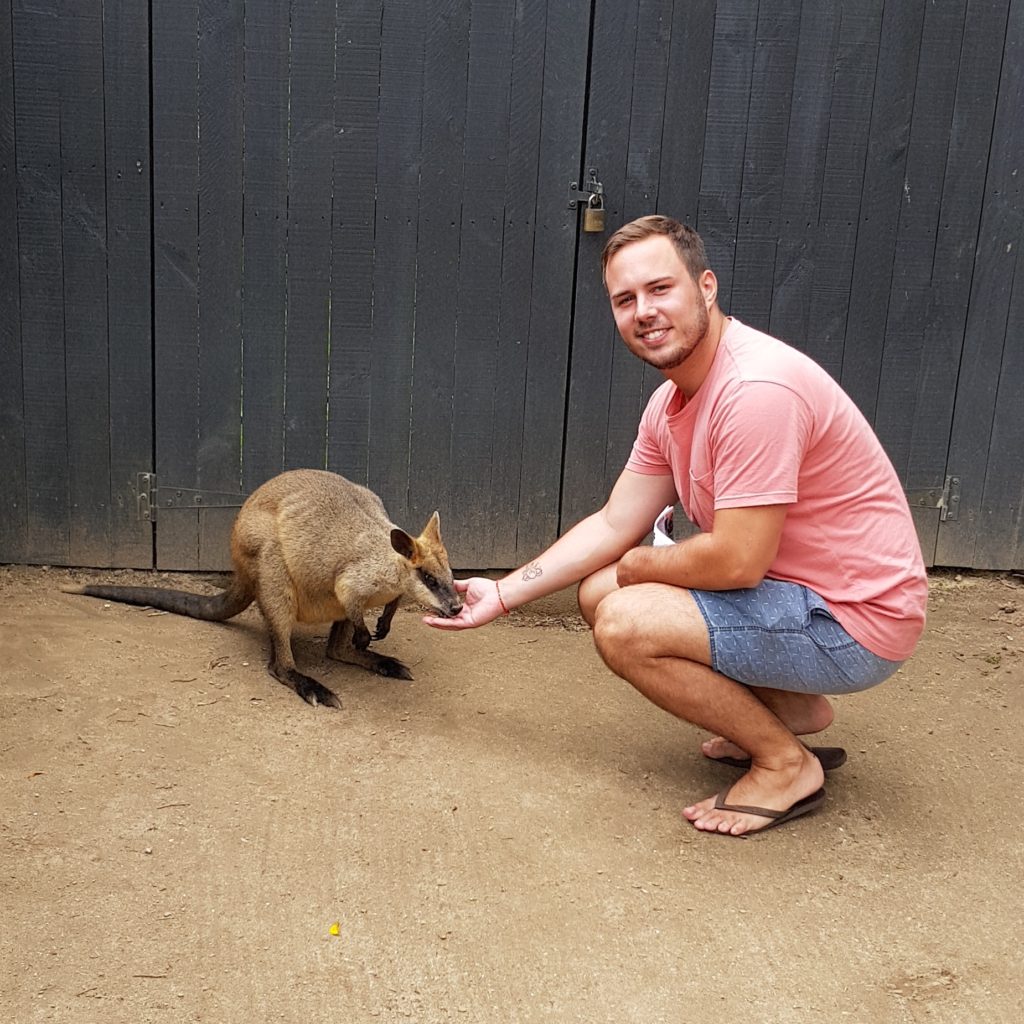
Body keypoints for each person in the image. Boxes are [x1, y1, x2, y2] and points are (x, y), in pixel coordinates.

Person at [425, 215, 927, 838]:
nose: (644, 311)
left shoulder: (753, 390)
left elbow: (737, 562)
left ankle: (784, 764)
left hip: (855, 620)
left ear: (706, 288)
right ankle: (788, 709)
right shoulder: (671, 402)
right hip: (799, 600)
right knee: (600, 590)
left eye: (660, 289)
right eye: (625, 299)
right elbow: (615, 521)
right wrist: (501, 594)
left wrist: (639, 567)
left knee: (626, 619)